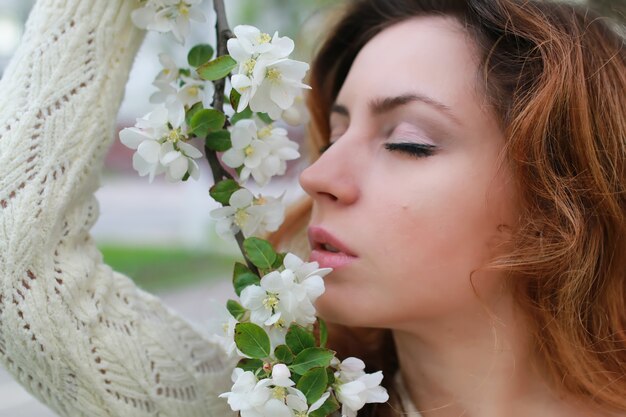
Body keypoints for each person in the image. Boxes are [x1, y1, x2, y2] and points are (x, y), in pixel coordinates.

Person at [0, 0, 623, 416]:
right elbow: (20, 273)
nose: (320, 175)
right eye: (337, 133)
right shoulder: (265, 400)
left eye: (409, 142)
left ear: (560, 196)